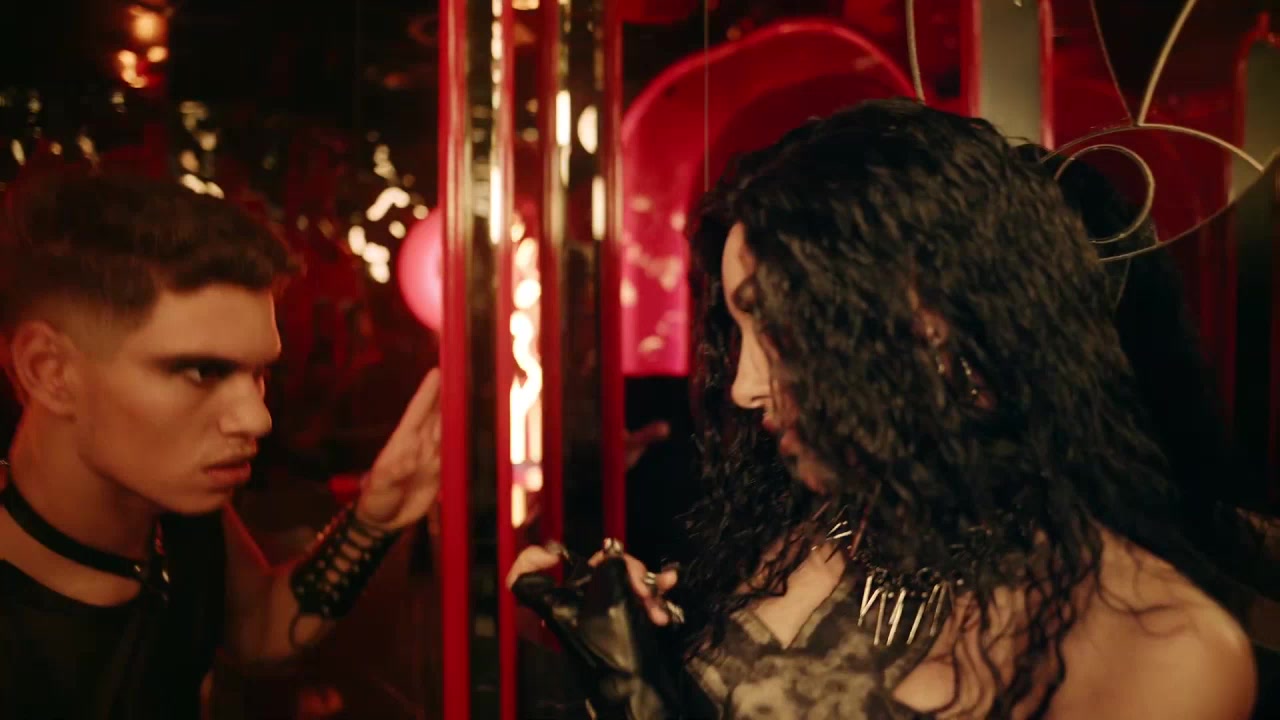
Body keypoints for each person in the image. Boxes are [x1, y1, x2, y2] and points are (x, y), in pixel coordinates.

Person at [511, 99, 1257, 719]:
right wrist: (636, 656)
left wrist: (639, 703)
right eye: (736, 336)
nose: (742, 386)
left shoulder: (1162, 648)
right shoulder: (831, 522)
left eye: (777, 330)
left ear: (929, 324)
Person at [0, 170, 442, 719]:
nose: (257, 418)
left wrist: (373, 521)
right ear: (50, 370)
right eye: (203, 371)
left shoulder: (174, 502)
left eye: (259, 374)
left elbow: (256, 625)